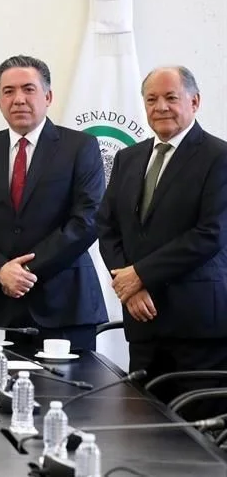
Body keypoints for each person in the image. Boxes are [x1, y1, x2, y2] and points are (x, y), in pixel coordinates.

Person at [0, 55, 108, 351]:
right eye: (8, 91)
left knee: (70, 383)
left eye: (28, 89)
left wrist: (24, 273)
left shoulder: (80, 147)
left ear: (48, 97)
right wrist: (0, 270)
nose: (19, 99)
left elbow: (87, 220)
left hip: (63, 306)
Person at [98, 66, 227, 407]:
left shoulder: (219, 157)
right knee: (142, 424)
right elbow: (107, 226)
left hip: (197, 328)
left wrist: (140, 275)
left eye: (171, 97)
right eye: (151, 99)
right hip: (143, 323)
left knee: (197, 428)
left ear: (194, 102)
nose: (160, 107)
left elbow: (211, 234)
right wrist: (129, 285)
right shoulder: (128, 158)